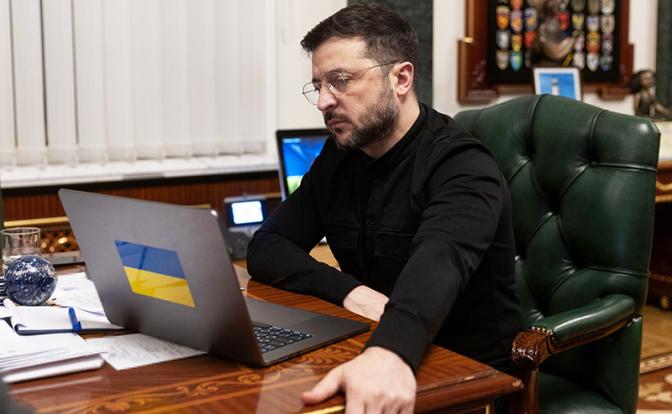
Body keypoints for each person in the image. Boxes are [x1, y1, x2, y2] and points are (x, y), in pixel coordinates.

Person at [247, 3, 523, 413]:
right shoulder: (340, 157)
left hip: (470, 377)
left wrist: (389, 352)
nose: (323, 102)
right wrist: (350, 292)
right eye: (318, 85)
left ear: (401, 78)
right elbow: (266, 246)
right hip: (371, 342)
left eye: (340, 81)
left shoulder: (463, 165)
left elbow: (437, 267)